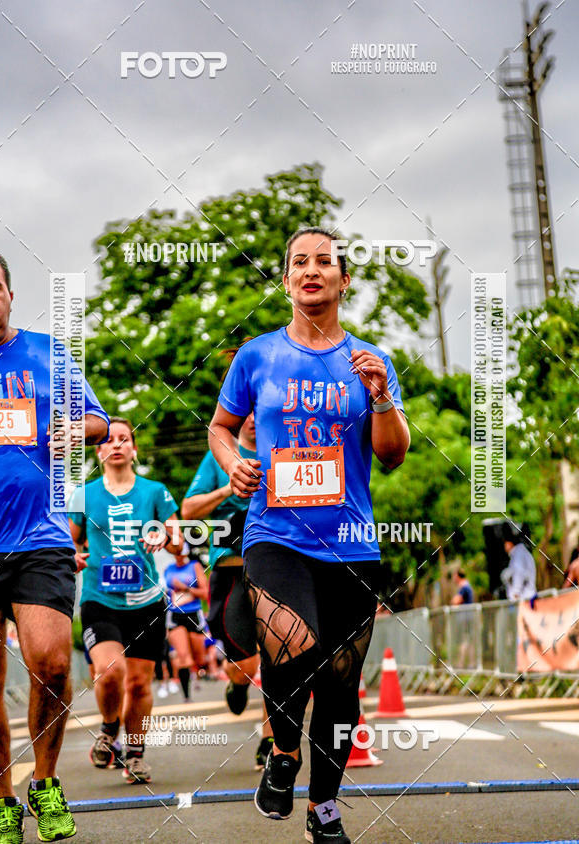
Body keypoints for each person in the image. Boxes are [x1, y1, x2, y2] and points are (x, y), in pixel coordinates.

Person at [208, 227, 409, 843]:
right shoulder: (257, 357)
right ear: (287, 278)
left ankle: (324, 806)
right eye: (300, 262)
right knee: (292, 645)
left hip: (351, 542)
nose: (312, 270)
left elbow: (394, 454)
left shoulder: (370, 361)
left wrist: (379, 399)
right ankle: (283, 755)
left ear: (344, 280)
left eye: (325, 262)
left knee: (343, 688)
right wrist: (231, 462)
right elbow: (222, 426)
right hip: (274, 534)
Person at [0, 248, 109, 843]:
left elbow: (99, 424)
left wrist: (70, 429)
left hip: (41, 535)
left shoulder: (48, 353)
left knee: (52, 662)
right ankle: (2, 800)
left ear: (9, 294)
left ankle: (47, 783)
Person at [69, 417, 180, 785]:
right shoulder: (84, 495)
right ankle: (108, 727)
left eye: (124, 439)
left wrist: (165, 536)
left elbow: (179, 540)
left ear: (133, 449)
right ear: (99, 451)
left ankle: (135, 754)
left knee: (139, 684)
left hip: (147, 601)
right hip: (101, 598)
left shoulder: (155, 491)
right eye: (109, 440)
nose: (116, 445)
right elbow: (69, 543)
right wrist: (73, 557)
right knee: (110, 670)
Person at [182, 406, 273, 769]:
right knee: (247, 664)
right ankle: (237, 681)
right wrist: (228, 485)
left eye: (258, 410)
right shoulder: (220, 455)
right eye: (245, 411)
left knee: (276, 658)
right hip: (230, 571)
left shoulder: (281, 451)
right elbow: (188, 510)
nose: (252, 418)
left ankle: (271, 740)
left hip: (273, 568)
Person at [164, 545, 209, 700]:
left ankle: (196, 674)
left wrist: (186, 589)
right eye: (175, 552)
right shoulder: (168, 569)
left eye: (181, 552)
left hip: (193, 614)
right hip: (175, 615)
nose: (178, 555)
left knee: (199, 658)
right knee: (183, 656)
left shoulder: (194, 567)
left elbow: (205, 593)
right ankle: (186, 695)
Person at [501, 522, 537, 602]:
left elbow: (519, 572)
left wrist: (515, 593)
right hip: (527, 597)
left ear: (509, 543)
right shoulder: (522, 552)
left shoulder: (518, 554)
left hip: (524, 599)